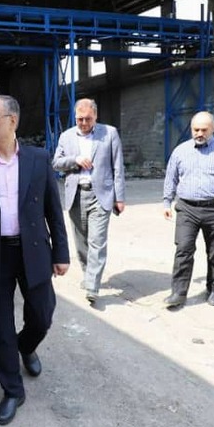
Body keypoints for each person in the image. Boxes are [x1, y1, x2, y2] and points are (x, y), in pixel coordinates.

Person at [0, 94, 70, 426]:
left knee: (42, 314)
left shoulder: (38, 158)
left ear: (13, 120)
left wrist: (61, 253)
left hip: (33, 250)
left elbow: (53, 210)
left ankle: (26, 345)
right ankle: (12, 390)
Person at [162, 111, 214, 309]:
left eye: (204, 130)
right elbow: (171, 178)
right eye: (196, 129)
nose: (199, 133)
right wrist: (166, 202)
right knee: (183, 249)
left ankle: (213, 289)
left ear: (213, 128)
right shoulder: (180, 151)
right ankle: (178, 293)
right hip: (187, 209)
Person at [52, 98, 126, 304]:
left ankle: (93, 286)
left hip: (100, 194)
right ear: (75, 117)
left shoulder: (109, 133)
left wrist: (120, 197)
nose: (84, 123)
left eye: (88, 119)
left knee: (97, 241)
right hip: (76, 195)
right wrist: (74, 160)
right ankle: (88, 273)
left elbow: (118, 166)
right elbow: (56, 163)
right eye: (80, 119)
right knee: (81, 240)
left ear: (95, 116)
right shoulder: (66, 136)